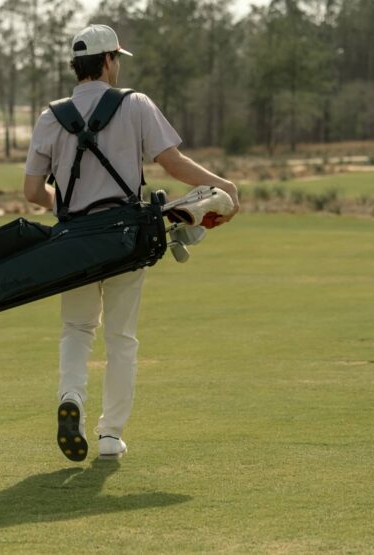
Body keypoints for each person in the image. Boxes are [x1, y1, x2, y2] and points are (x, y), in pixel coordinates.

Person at [23, 24, 239, 461]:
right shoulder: (135, 104)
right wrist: (223, 184)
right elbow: (172, 163)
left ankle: (72, 399)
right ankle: (109, 436)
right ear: (107, 61)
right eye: (117, 58)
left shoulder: (51, 117)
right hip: (125, 240)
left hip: (72, 241)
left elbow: (31, 192)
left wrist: (64, 210)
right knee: (121, 338)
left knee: (76, 330)